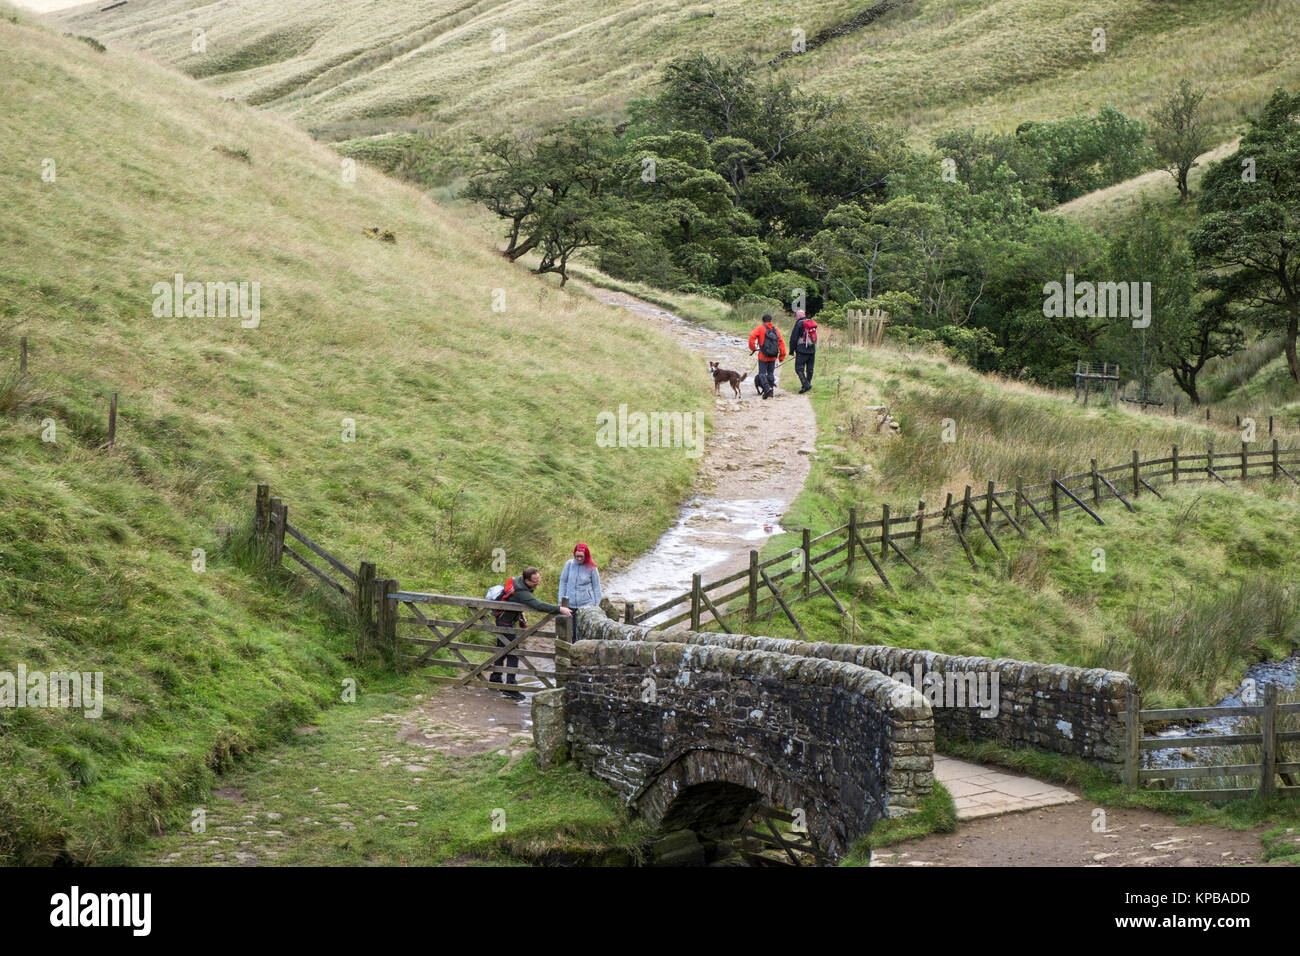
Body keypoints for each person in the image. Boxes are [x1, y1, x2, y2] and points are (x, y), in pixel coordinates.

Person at [490, 566, 572, 700]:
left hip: (503, 620)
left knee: (502, 650)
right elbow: (538, 605)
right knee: (513, 654)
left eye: (538, 579)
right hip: (504, 623)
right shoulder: (521, 591)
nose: (537, 583)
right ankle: (510, 687)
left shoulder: (518, 581)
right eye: (535, 581)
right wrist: (559, 609)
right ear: (527, 580)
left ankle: (495, 678)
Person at [747, 313, 786, 400]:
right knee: (771, 374)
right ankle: (770, 394)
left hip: (763, 356)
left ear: (762, 321)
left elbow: (752, 336)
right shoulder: (776, 329)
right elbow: (781, 342)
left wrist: (753, 347)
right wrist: (781, 356)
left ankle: (767, 388)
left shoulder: (760, 328)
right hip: (773, 356)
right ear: (771, 320)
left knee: (762, 374)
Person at [558, 543, 602, 609]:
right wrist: (560, 600)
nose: (579, 559)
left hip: (587, 606)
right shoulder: (569, 564)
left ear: (586, 555)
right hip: (569, 605)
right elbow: (563, 582)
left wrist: (598, 605)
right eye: (577, 556)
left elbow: (596, 587)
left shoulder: (592, 567)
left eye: (581, 556)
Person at [789, 309, 818, 393]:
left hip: (802, 350)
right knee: (810, 369)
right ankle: (806, 385)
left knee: (799, 368)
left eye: (796, 316)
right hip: (812, 349)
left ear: (798, 316)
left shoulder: (799, 324)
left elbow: (794, 338)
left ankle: (806, 385)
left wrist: (791, 350)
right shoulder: (811, 323)